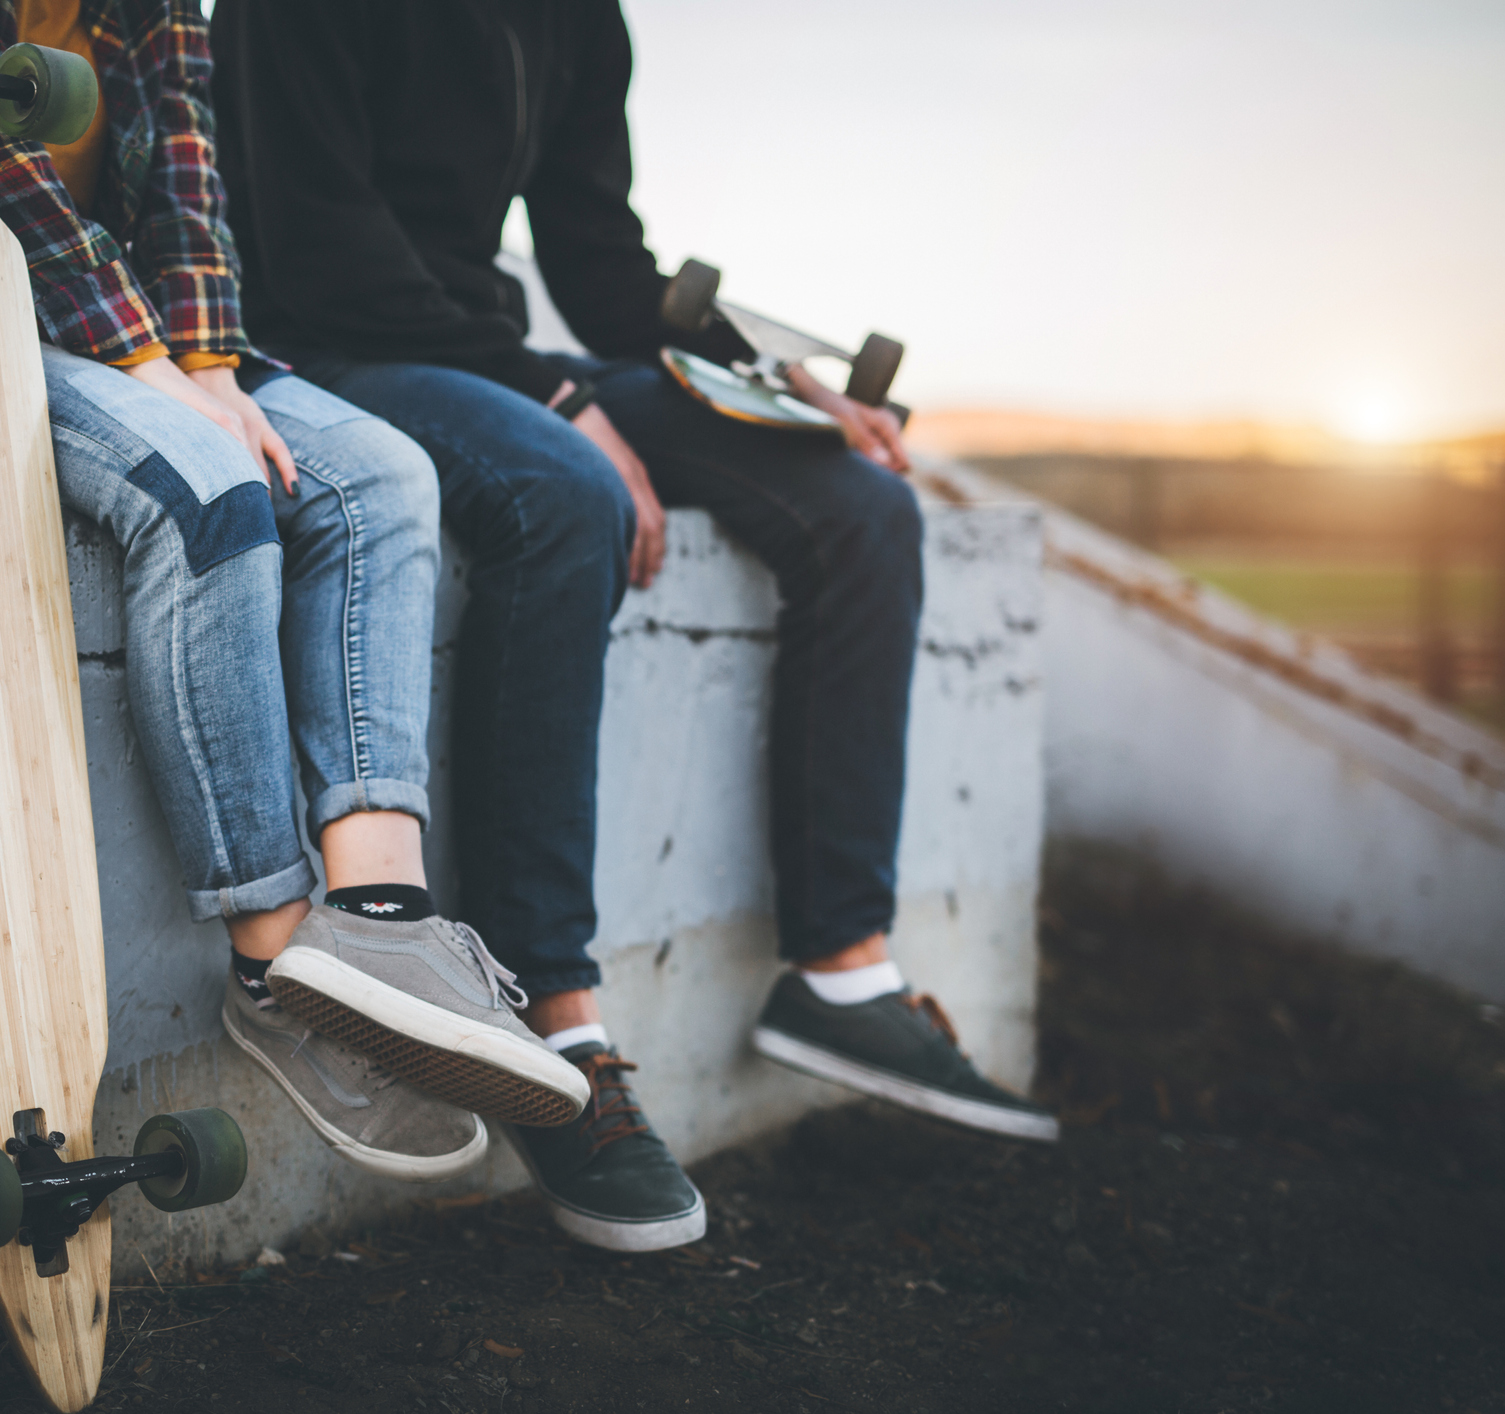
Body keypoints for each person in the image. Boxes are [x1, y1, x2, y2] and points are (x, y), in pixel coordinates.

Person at [209, 0, 1058, 1251]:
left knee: (858, 503)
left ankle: (842, 967)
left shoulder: (576, 20)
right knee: (564, 492)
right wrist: (556, 400)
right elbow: (319, 250)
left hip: (484, 350)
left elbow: (601, 261)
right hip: (323, 351)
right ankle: (559, 1031)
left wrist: (765, 370)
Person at [0, 0, 588, 1185]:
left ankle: (381, 932)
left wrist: (209, 362)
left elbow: (189, 192)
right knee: (212, 495)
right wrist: (149, 364)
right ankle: (274, 967)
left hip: (129, 337)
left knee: (380, 478)